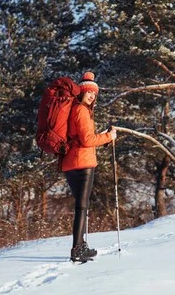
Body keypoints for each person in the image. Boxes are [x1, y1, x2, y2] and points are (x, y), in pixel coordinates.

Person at [60, 71, 117, 262]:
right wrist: (109, 137)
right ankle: (77, 248)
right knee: (82, 207)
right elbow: (87, 139)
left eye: (94, 93)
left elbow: (82, 137)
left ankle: (81, 245)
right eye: (89, 92)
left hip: (70, 162)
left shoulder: (73, 109)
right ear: (82, 92)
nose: (92, 96)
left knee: (81, 206)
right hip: (83, 163)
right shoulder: (82, 110)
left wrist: (103, 138)